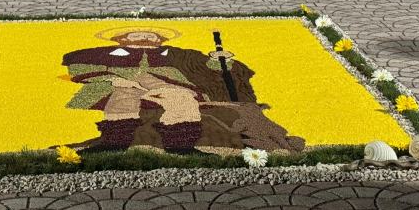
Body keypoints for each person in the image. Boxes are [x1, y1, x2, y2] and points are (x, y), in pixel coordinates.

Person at [61, 28, 304, 153]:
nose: (145, 37)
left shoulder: (177, 53)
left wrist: (220, 60)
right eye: (138, 34)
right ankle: (115, 141)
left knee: (181, 96)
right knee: (125, 95)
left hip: (163, 83)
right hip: (118, 81)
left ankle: (181, 145)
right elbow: (78, 69)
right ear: (121, 39)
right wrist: (114, 78)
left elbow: (204, 67)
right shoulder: (101, 54)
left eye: (151, 35)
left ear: (160, 41)